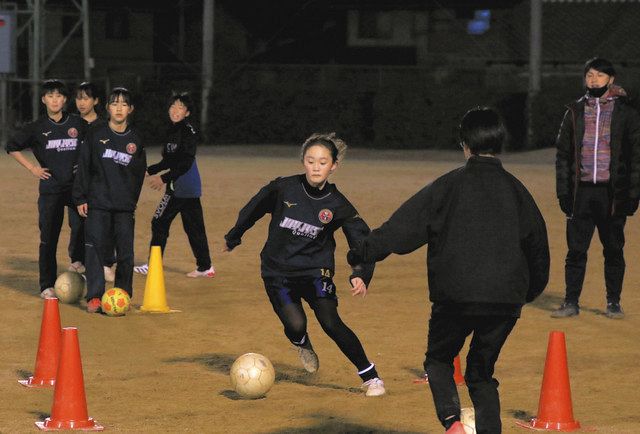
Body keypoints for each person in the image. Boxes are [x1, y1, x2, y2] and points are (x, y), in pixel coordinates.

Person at [348, 107, 549, 433]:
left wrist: (361, 252)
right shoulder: (518, 191)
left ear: (464, 144)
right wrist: (525, 293)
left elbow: (401, 231)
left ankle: (452, 424)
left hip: (455, 296)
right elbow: (538, 248)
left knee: (439, 361)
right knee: (481, 373)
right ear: (500, 143)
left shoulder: (448, 186)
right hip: (505, 301)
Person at [223, 133, 385, 397]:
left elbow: (362, 240)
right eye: (311, 161)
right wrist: (234, 236)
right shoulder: (283, 188)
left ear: (333, 166)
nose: (316, 167)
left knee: (331, 322)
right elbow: (253, 208)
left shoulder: (337, 204)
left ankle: (370, 377)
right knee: (296, 325)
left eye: (323, 162)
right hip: (277, 271)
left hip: (314, 271)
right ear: (303, 162)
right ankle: (301, 342)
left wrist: (361, 273)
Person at [552, 57, 640, 320]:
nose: (594, 80)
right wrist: (564, 192)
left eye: (600, 75)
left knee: (613, 249)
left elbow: (636, 156)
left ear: (611, 79)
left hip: (611, 194)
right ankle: (571, 302)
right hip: (582, 193)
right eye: (589, 75)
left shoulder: (627, 113)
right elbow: (562, 155)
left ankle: (613, 302)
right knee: (576, 250)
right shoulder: (574, 112)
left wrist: (632, 195)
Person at [5, 79, 87, 298]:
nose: (54, 100)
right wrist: (33, 167)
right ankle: (46, 285)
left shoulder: (77, 124)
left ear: (65, 100)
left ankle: (80, 264)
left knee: (84, 227)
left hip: (76, 189)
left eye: (59, 96)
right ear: (44, 100)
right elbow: (11, 146)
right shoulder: (37, 127)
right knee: (49, 237)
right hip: (51, 190)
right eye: (50, 96)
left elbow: (94, 142)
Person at [73, 87, 147, 313]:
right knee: (94, 250)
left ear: (130, 109)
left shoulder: (135, 139)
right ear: (107, 107)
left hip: (124, 207)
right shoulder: (96, 134)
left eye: (124, 104)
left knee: (126, 254)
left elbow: (138, 174)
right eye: (114, 103)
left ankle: (123, 294)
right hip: (98, 203)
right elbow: (84, 166)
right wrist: (80, 197)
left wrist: (131, 202)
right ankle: (94, 296)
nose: (119, 108)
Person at [133, 91, 215, 278]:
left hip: (182, 186)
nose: (175, 110)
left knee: (159, 222)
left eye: (180, 107)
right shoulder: (172, 130)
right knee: (194, 227)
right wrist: (150, 170)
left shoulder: (187, 131)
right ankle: (206, 266)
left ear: (187, 113)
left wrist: (163, 178)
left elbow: (185, 162)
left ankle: (153, 265)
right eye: (173, 106)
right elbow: (170, 160)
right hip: (187, 186)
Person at [73, 81, 117, 283]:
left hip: (101, 185)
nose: (81, 103)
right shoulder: (72, 124)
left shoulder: (104, 125)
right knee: (77, 224)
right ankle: (78, 261)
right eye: (78, 98)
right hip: (77, 184)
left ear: (96, 100)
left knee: (104, 226)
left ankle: (106, 263)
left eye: (86, 98)